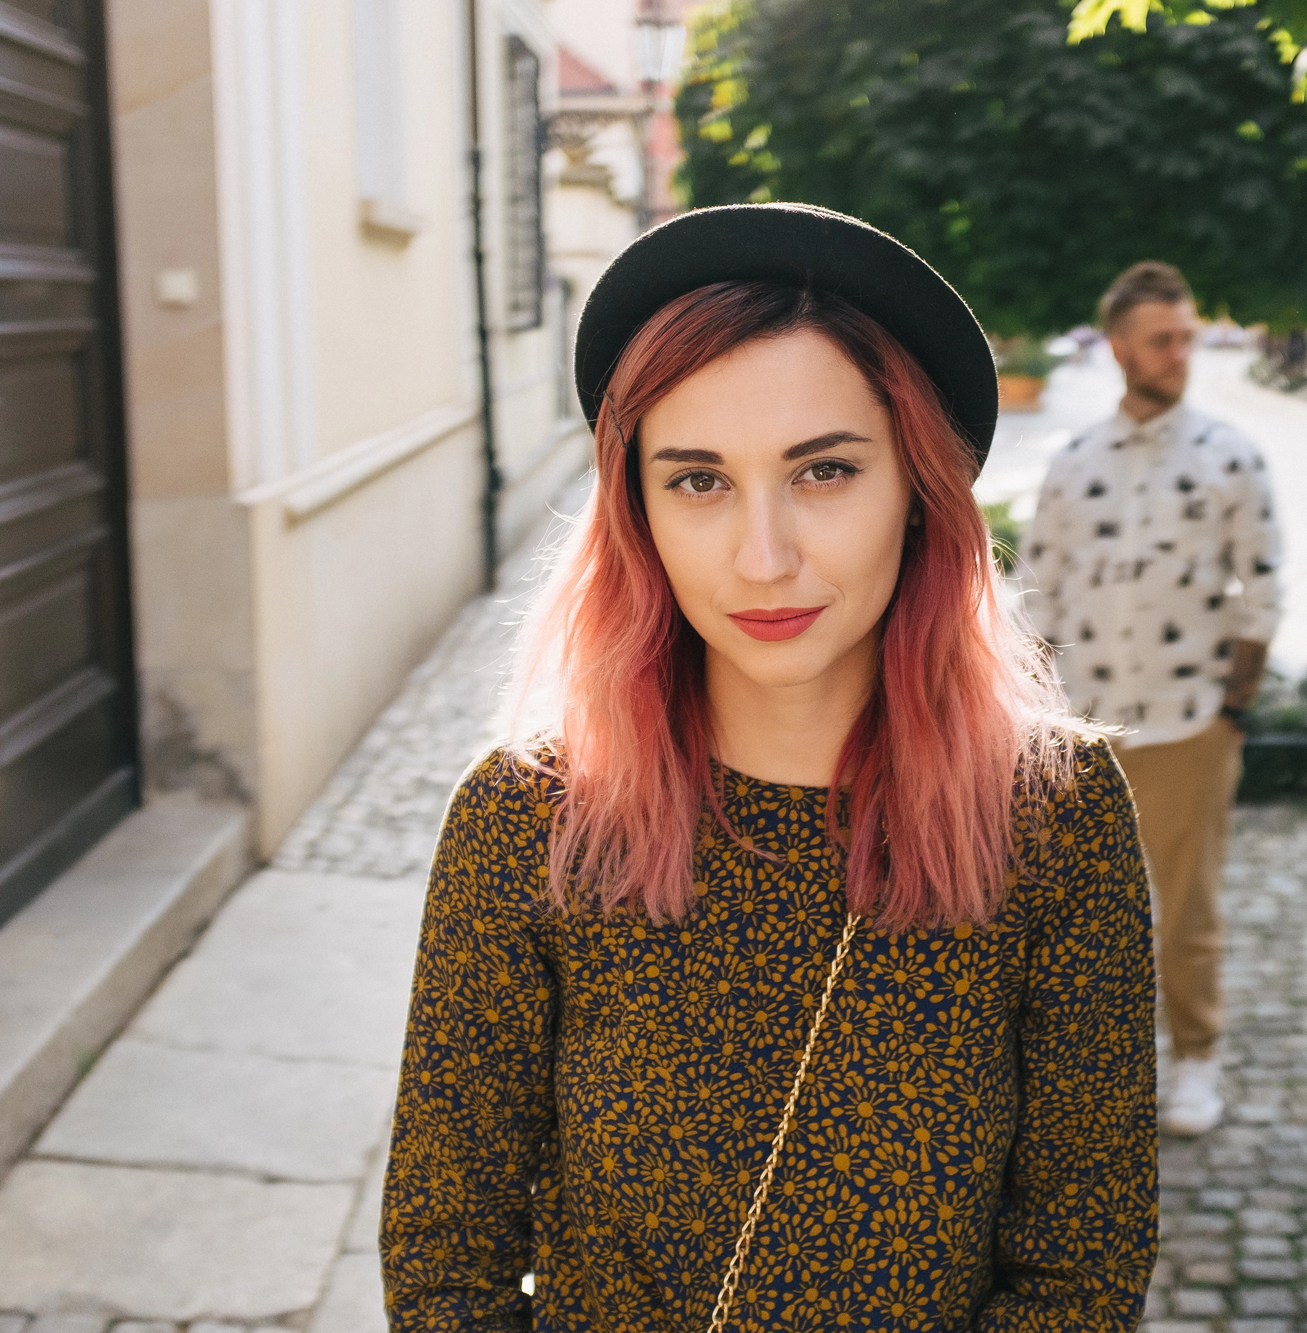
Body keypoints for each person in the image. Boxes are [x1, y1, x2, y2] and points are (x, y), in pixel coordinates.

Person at [381, 204, 1159, 1332]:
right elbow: (446, 1258)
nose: (764, 556)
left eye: (823, 471)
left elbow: (1079, 1272)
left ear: (916, 493)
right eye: (698, 480)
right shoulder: (531, 820)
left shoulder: (1053, 816)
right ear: (637, 509)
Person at [1019, 260, 1282, 1138]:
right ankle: (1092, 1075)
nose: (1179, 353)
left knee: (1187, 909)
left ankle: (1197, 1058)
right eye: (1162, 339)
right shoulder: (1072, 463)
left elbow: (1264, 589)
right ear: (1122, 346)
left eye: (1187, 336)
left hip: (1189, 723)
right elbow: (1040, 594)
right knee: (1081, 917)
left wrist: (1231, 711)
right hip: (1084, 728)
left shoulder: (1230, 457)